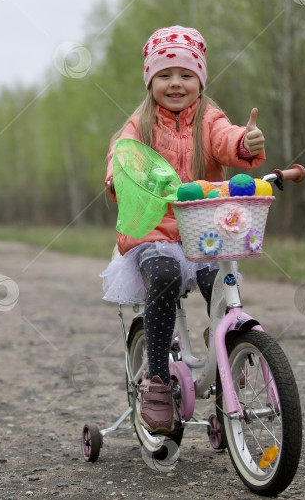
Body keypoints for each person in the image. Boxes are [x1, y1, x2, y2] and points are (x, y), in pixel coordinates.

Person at [100, 26, 266, 435]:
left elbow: (225, 140)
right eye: (165, 75)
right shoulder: (139, 125)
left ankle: (228, 346)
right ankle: (157, 381)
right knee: (165, 276)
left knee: (220, 276)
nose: (176, 83)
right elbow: (121, 157)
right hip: (154, 232)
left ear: (200, 81)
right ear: (150, 81)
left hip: (202, 229)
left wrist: (245, 142)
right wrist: (120, 179)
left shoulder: (209, 118)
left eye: (186, 75)